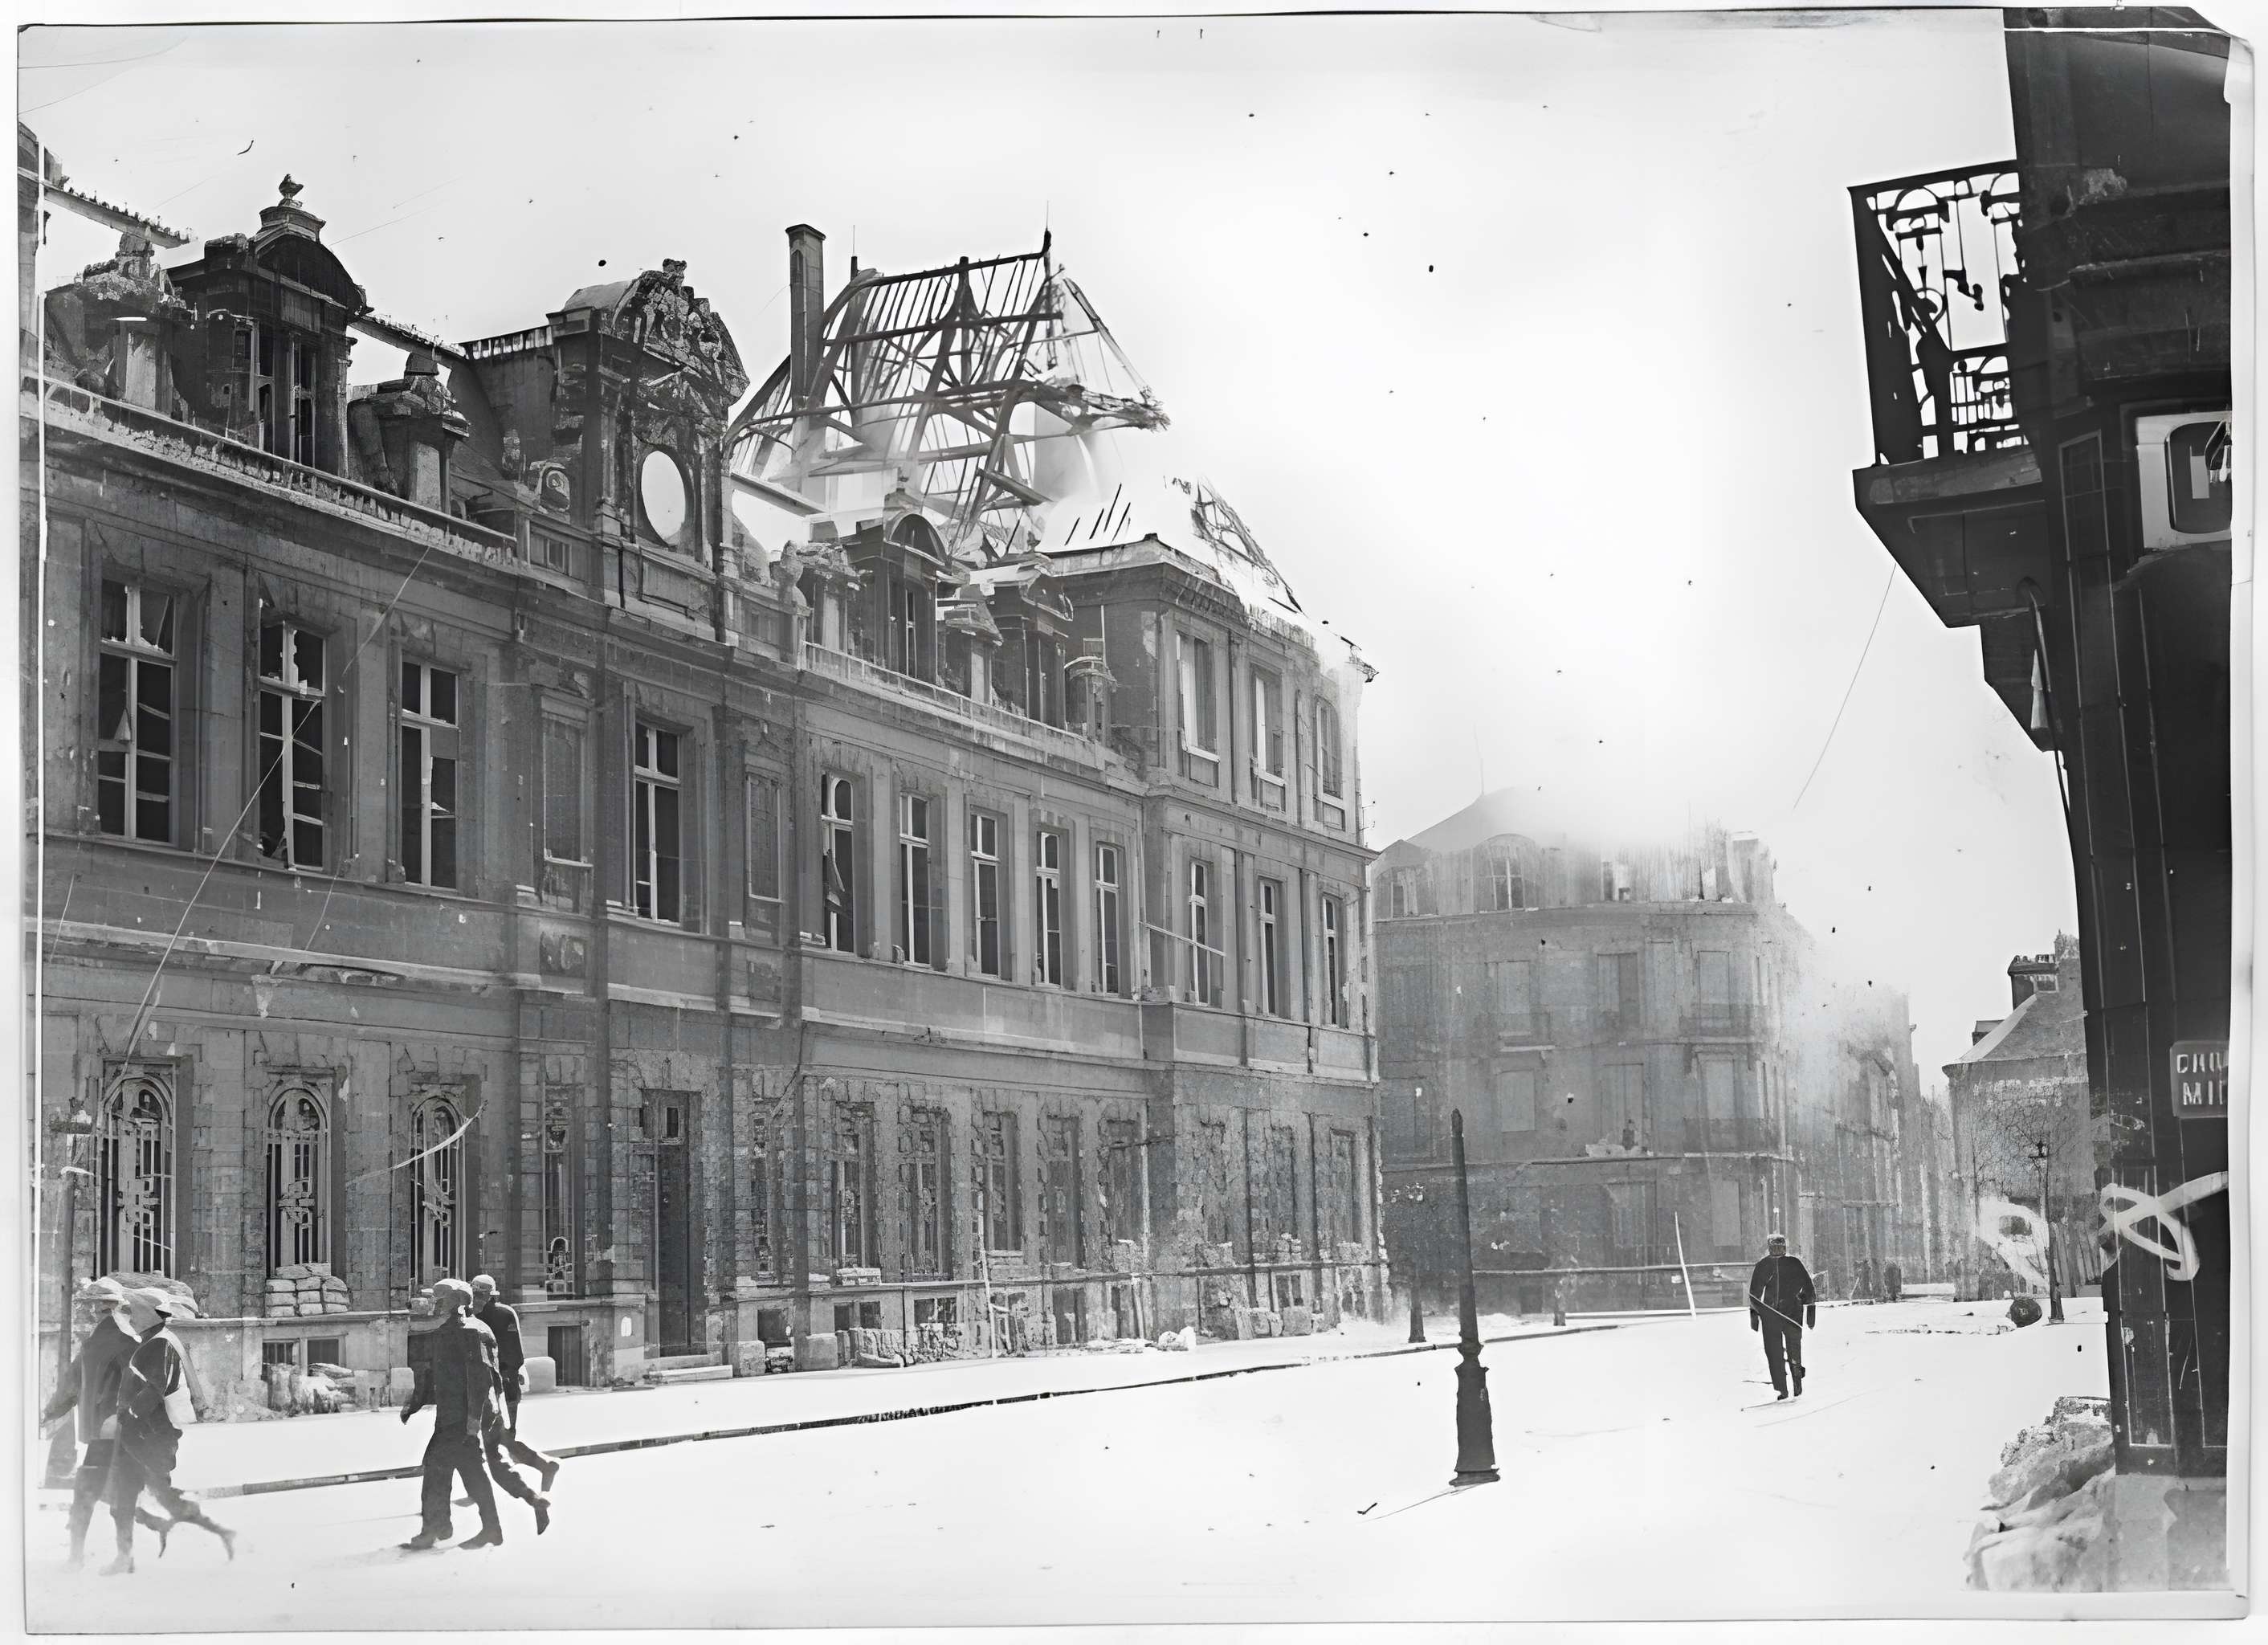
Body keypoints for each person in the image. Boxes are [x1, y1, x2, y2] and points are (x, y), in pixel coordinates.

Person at [104, 1288, 235, 1574]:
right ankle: (126, 1556)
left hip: (146, 1436)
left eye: (133, 1313)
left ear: (148, 1315)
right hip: (140, 1435)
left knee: (153, 1497)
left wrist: (128, 1417)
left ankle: (217, 1535)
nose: (130, 1319)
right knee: (125, 1496)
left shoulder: (154, 1345)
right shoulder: (158, 1340)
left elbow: (153, 1389)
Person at [41, 1279, 170, 1567]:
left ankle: (90, 1557)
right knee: (109, 1492)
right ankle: (124, 1551)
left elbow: (137, 1382)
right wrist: (50, 1412)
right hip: (111, 1431)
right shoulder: (108, 1339)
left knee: (93, 1491)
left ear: (106, 1308)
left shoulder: (119, 1340)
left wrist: (51, 1412)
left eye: (93, 1307)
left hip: (113, 1430)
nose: (89, 1313)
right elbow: (74, 1382)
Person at [400, 1278, 514, 1552]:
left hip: (463, 1419)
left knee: (445, 1470)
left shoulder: (471, 1332)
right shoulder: (446, 1332)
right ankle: (454, 1526)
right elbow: (432, 1375)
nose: (435, 1305)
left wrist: (474, 1421)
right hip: (449, 1418)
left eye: (440, 1300)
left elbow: (481, 1379)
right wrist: (414, 1404)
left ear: (455, 1302)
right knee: (454, 1471)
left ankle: (437, 1528)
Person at [470, 1275, 561, 1494]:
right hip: (487, 1386)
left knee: (496, 1438)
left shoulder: (501, 1315)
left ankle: (540, 1469)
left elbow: (514, 1355)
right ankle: (542, 1467)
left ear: (488, 1296)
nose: (476, 1299)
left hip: (499, 1386)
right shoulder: (475, 1316)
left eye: (479, 1295)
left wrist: (502, 1382)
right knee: (493, 1438)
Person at [1748, 1233, 1817, 1401]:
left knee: (1794, 1353)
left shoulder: (1794, 1264)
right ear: (1769, 1247)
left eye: (1780, 1246)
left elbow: (1809, 1288)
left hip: (1792, 1315)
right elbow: (1754, 1294)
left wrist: (1811, 1311)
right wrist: (1754, 1315)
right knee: (1774, 1354)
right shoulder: (1762, 1266)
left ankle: (1797, 1385)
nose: (1777, 1249)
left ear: (1785, 1247)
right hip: (1771, 1315)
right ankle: (1782, 1389)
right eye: (1774, 1246)